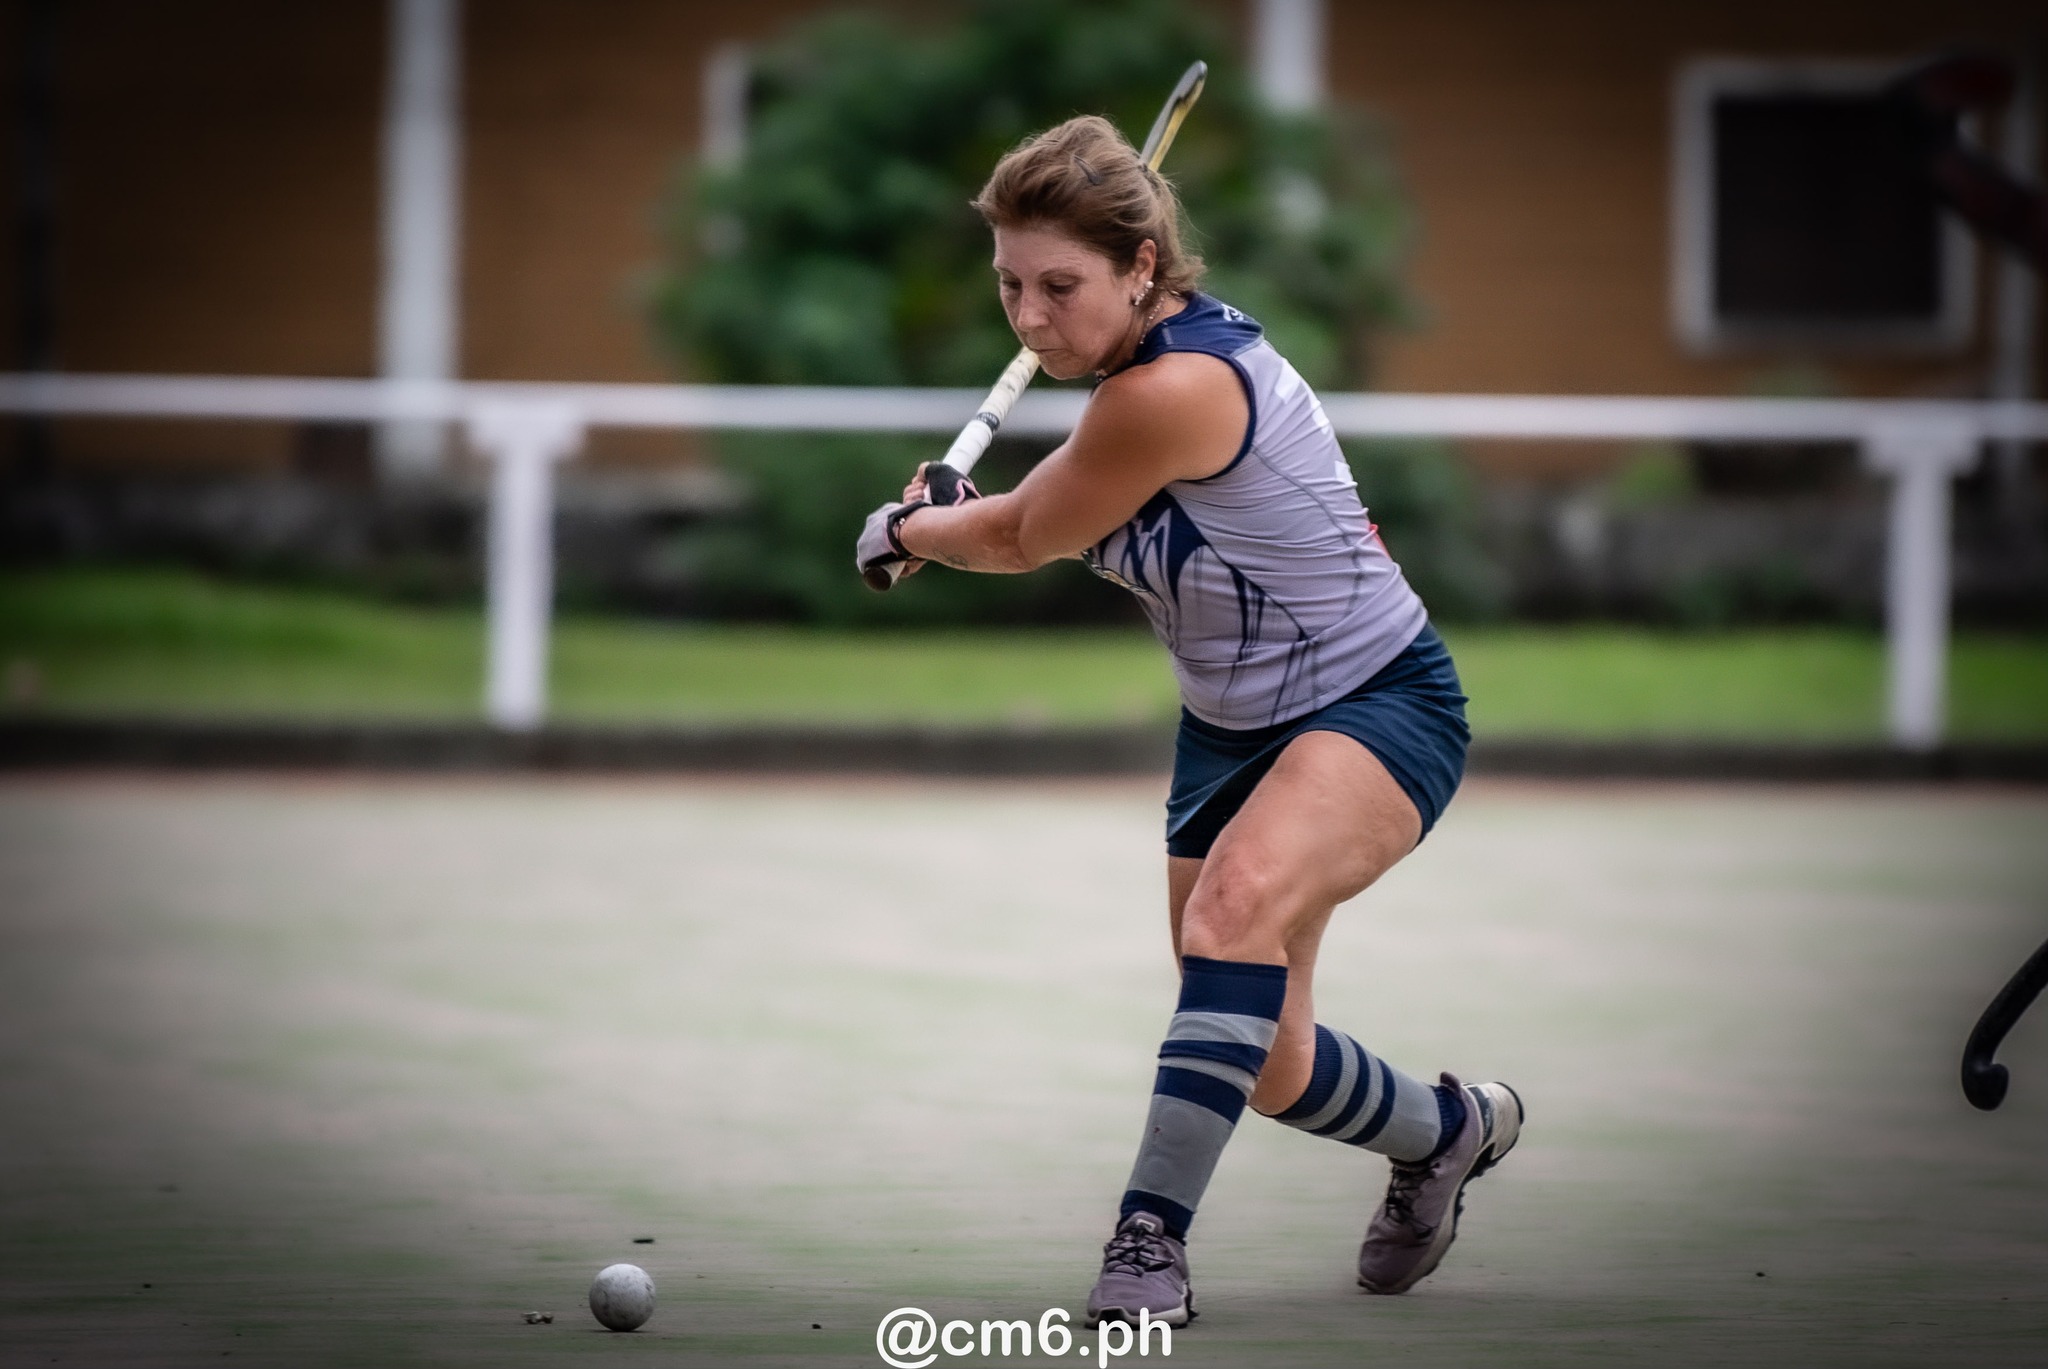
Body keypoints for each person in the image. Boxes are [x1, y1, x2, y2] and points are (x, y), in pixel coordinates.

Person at [856, 115, 1523, 1327]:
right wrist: (952, 515)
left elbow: (1023, 534)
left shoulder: (1173, 388)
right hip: (1226, 737)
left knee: (1228, 916)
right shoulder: (1127, 391)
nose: (1029, 318)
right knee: (1266, 1061)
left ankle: (1146, 1244)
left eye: (1060, 287)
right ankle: (1447, 1130)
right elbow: (1037, 511)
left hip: (1376, 702)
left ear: (1142, 268)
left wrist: (908, 529)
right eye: (1009, 285)